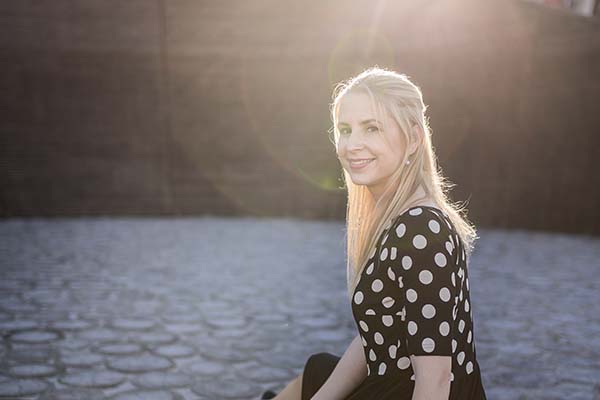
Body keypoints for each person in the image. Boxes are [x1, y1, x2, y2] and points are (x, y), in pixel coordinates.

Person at [262, 66, 487, 400]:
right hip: (389, 380)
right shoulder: (397, 218)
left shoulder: (421, 229)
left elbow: (437, 380)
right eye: (345, 129)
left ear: (412, 140)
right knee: (316, 373)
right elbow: (379, 333)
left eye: (372, 129)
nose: (353, 144)